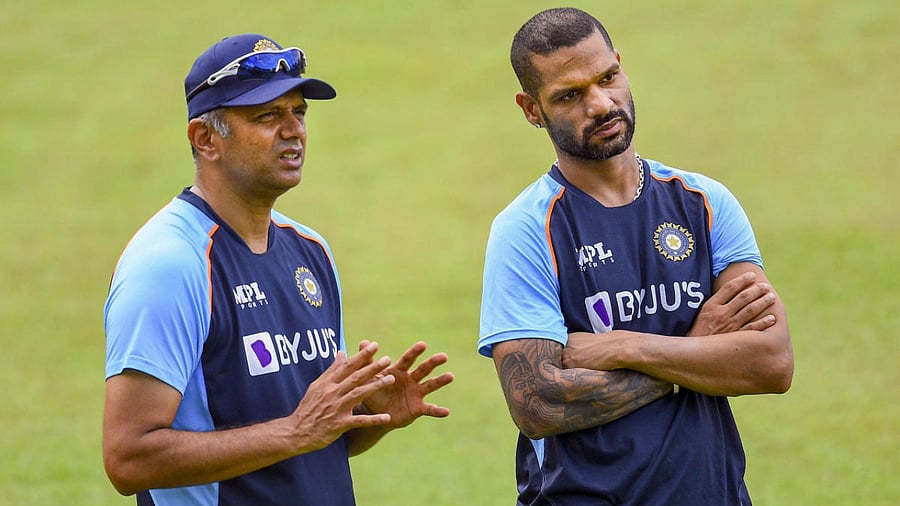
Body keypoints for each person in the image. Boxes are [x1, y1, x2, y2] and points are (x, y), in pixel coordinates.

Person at [103, 33, 454, 505]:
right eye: (267, 115)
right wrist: (295, 430)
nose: (293, 130)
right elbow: (128, 458)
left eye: (299, 112)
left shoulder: (310, 250)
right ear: (206, 139)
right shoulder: (169, 264)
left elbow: (311, 440)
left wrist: (373, 418)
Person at [478, 8, 793, 505]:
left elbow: (770, 363)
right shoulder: (526, 230)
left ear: (621, 65)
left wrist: (626, 347)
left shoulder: (704, 202)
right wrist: (694, 350)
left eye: (608, 77)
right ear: (532, 109)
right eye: (569, 95)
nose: (601, 104)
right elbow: (538, 403)